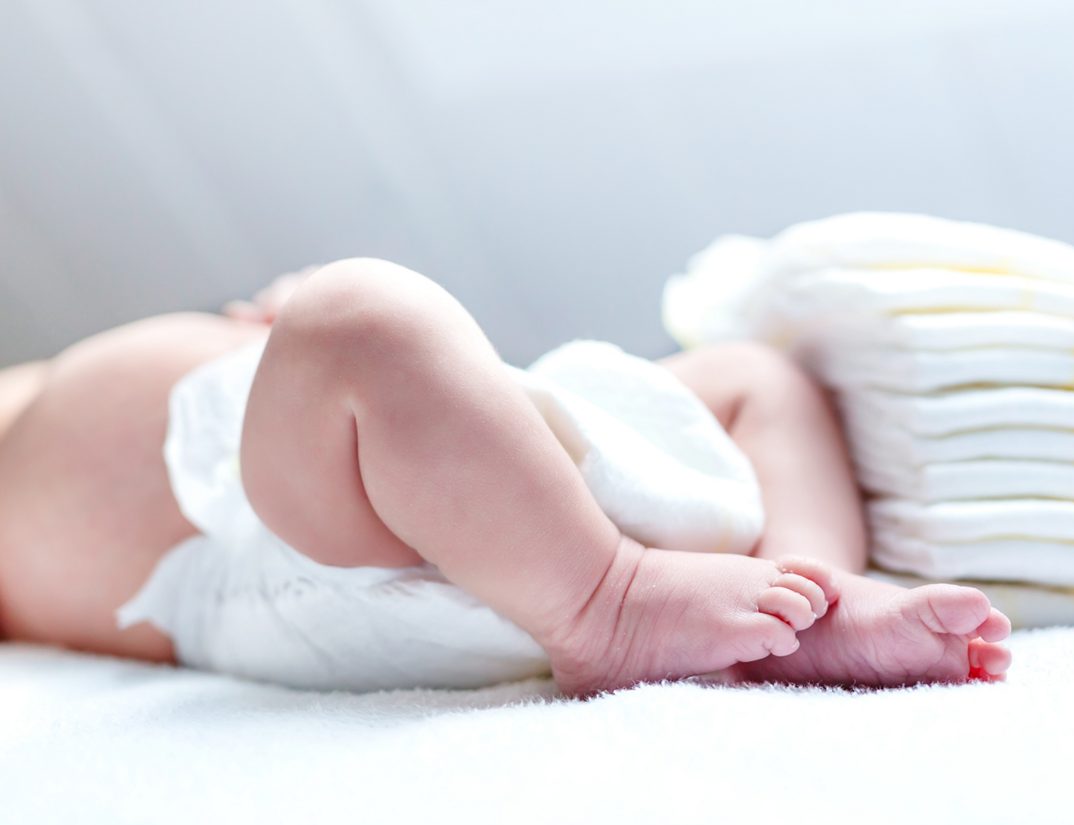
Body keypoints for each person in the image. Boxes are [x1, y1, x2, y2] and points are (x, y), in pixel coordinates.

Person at [0, 259, 1010, 695]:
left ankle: (811, 588)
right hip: (282, 550)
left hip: (499, 477)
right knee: (358, 316)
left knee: (753, 376)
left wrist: (275, 343)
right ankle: (607, 605)